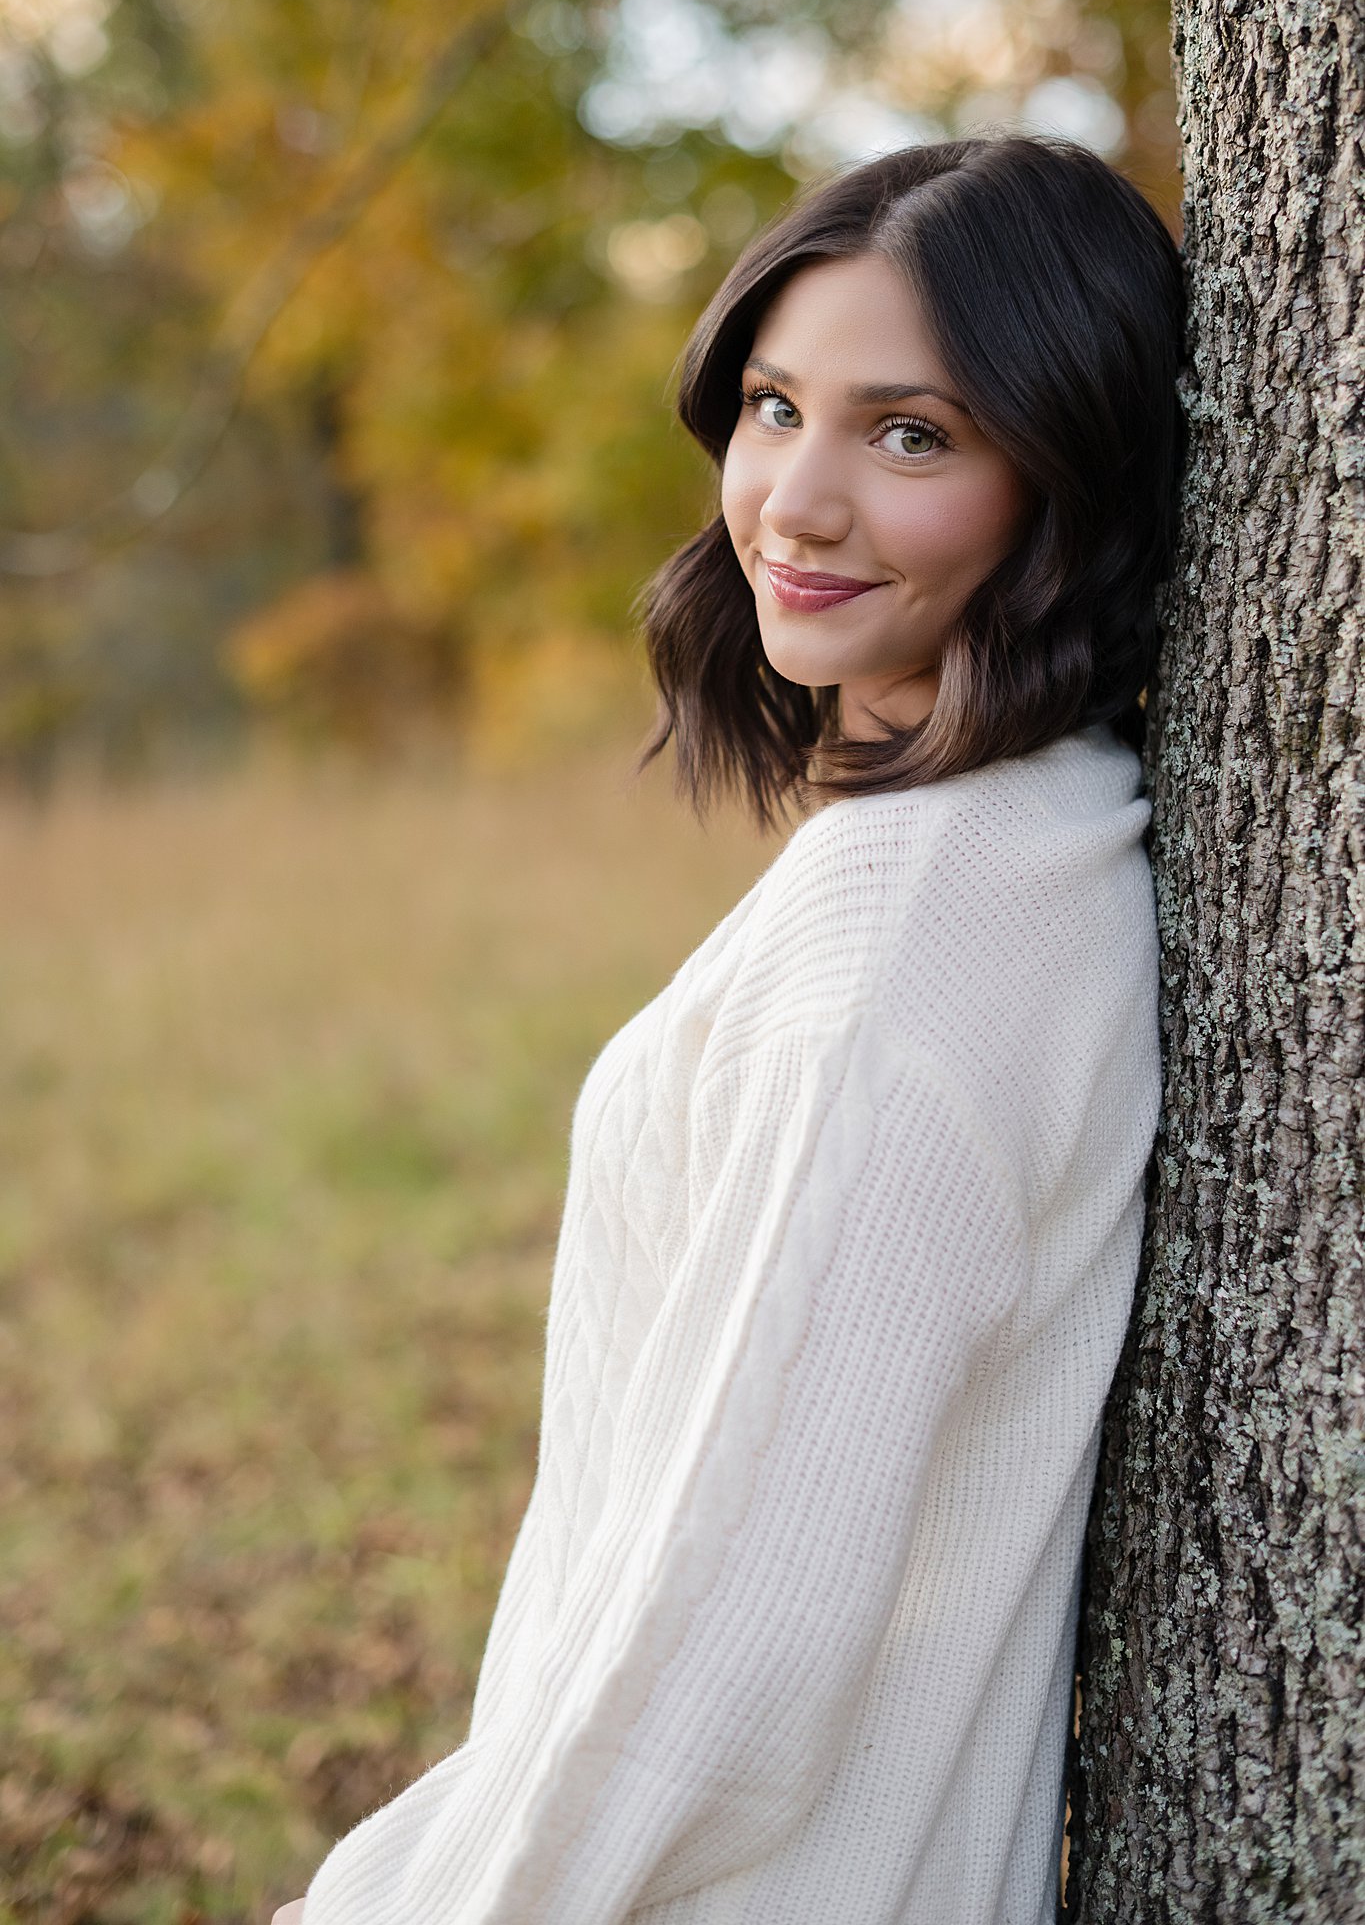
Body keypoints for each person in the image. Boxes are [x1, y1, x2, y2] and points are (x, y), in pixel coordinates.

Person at [271, 133, 1184, 1925]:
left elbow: (717, 1661)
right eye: (775, 409)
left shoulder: (897, 955)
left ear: (1062, 480)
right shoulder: (1052, 840)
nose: (794, 503)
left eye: (911, 434)